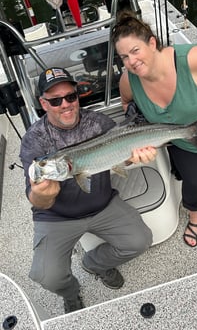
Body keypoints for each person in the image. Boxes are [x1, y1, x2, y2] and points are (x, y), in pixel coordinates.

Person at [19, 67, 156, 313]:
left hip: (103, 204)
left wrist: (133, 158)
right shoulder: (34, 139)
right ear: (43, 103)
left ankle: (94, 264)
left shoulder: (99, 122)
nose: (65, 104)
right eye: (55, 100)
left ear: (77, 96)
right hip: (58, 215)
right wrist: (43, 195)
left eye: (70, 96)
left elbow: (119, 159)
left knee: (141, 240)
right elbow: (37, 200)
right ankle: (70, 292)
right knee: (47, 276)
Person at [111, 11, 197, 248]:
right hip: (179, 139)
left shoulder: (191, 60)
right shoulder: (128, 81)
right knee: (193, 180)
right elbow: (126, 104)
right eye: (124, 57)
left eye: (135, 51)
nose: (131, 61)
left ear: (152, 43)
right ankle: (194, 217)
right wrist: (139, 130)